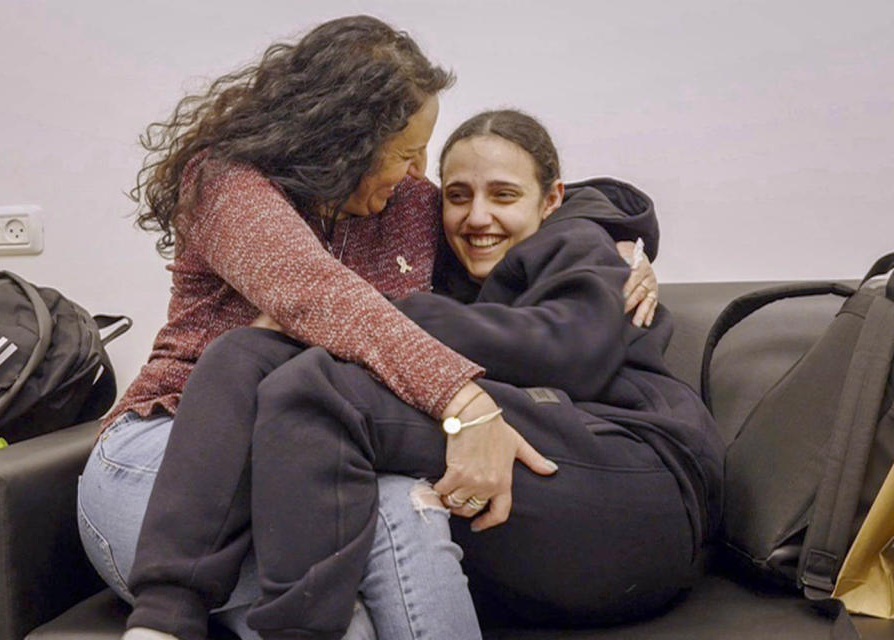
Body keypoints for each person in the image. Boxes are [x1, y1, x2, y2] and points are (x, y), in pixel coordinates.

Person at [75, 15, 659, 640]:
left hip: (310, 454)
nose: (418, 173)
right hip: (169, 453)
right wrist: (465, 402)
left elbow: (508, 207)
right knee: (378, 536)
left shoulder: (406, 203)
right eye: (406, 152)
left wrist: (606, 240)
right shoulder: (225, 182)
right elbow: (316, 294)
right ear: (344, 139)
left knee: (405, 507)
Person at [240, 110, 725, 638]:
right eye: (457, 195)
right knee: (277, 365)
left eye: (503, 195)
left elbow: (570, 352)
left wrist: (376, 313)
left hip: (638, 473)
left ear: (551, 199)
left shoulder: (578, 244)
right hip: (563, 493)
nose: (476, 216)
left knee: (322, 389)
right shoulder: (449, 261)